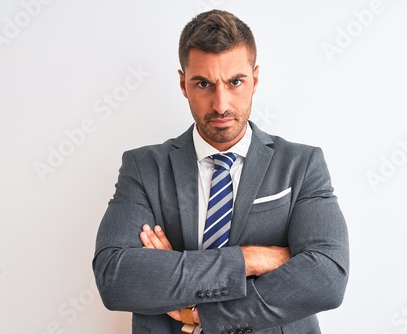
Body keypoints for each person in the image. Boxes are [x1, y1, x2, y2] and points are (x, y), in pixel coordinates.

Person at [93, 9, 349, 334]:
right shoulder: (144, 168)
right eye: (203, 84)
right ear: (183, 84)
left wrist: (198, 310)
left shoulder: (301, 165)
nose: (220, 104)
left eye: (235, 82)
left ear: (255, 79)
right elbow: (115, 279)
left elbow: (327, 278)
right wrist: (249, 259)